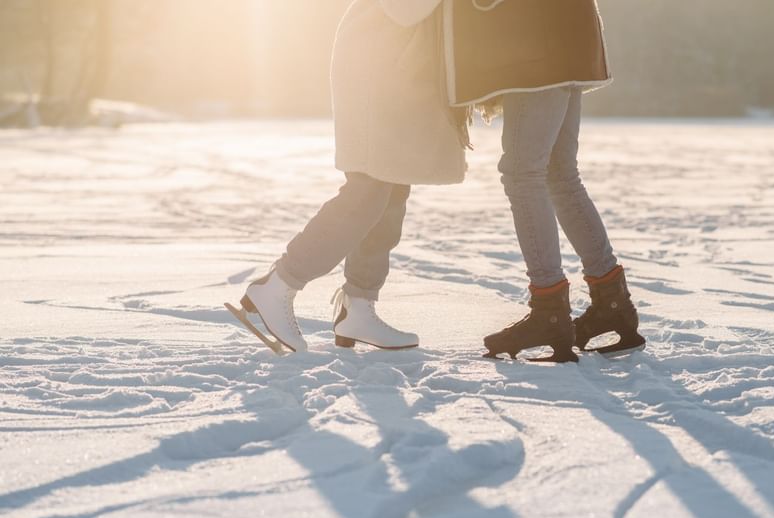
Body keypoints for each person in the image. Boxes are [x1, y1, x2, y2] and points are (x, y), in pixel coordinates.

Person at [227, 0, 465, 354]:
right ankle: (278, 285)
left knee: (392, 190)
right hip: (376, 68)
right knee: (367, 192)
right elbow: (406, 9)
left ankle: (359, 306)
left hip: (402, 72)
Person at [443, 0, 645, 362]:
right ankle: (611, 302)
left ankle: (548, 310)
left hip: (536, 48)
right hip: (571, 39)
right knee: (560, 174)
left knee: (523, 174)